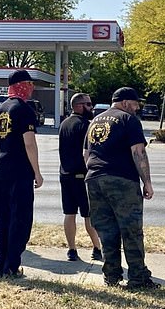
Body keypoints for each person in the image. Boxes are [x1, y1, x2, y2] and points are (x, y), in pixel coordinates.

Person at [84, 87, 159, 289]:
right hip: (121, 180)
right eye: (135, 104)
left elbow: (86, 154)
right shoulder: (129, 120)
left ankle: (112, 275)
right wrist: (147, 182)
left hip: (94, 178)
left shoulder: (95, 121)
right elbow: (138, 152)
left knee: (106, 231)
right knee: (131, 230)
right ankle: (138, 278)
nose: (137, 108)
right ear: (125, 103)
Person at [0, 70, 44, 278]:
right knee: (20, 219)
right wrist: (37, 173)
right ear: (20, 85)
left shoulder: (2, 108)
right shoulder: (24, 109)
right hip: (19, 171)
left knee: (2, 219)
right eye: (28, 84)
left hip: (0, 169)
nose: (31, 88)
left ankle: (1, 263)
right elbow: (29, 143)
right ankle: (11, 266)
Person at [59, 93, 102, 262]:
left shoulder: (64, 124)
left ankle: (72, 249)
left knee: (69, 213)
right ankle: (97, 248)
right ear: (79, 106)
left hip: (65, 174)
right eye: (88, 104)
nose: (91, 108)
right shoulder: (85, 125)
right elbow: (89, 152)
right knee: (89, 215)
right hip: (82, 176)